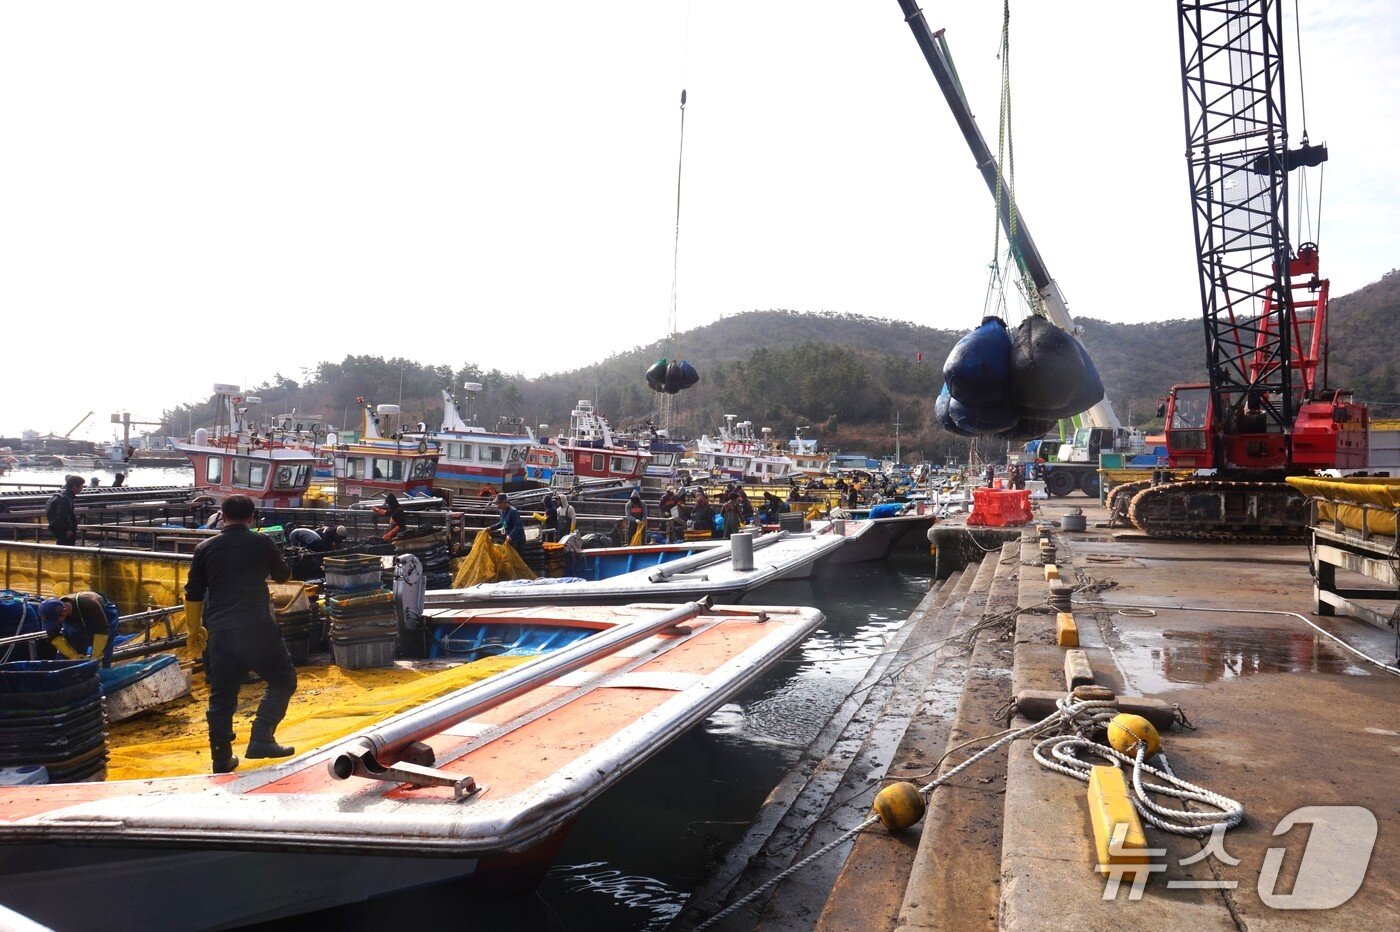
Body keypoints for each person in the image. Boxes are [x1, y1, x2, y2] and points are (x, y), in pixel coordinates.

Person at [183, 494, 296, 774]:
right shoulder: (261, 542)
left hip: (220, 633)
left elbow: (193, 593)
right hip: (256, 628)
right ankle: (261, 737)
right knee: (283, 680)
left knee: (221, 697)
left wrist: (194, 629)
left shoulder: (204, 548)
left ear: (222, 517)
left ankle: (221, 758)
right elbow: (283, 577)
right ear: (251, 518)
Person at [36, 591, 120, 668]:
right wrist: (72, 656)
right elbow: (53, 635)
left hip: (105, 614)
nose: (54, 624)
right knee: (72, 644)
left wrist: (96, 656)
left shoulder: (89, 603)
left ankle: (104, 670)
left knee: (105, 648)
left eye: (55, 621)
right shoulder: (52, 611)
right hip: (77, 618)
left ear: (63, 612)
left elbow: (102, 630)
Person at [45, 475, 84, 546]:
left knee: (63, 545)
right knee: (66, 546)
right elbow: (63, 515)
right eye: (81, 486)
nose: (82, 489)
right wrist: (68, 529)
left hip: (57, 527)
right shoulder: (65, 499)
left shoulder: (62, 496)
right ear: (74, 486)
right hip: (64, 530)